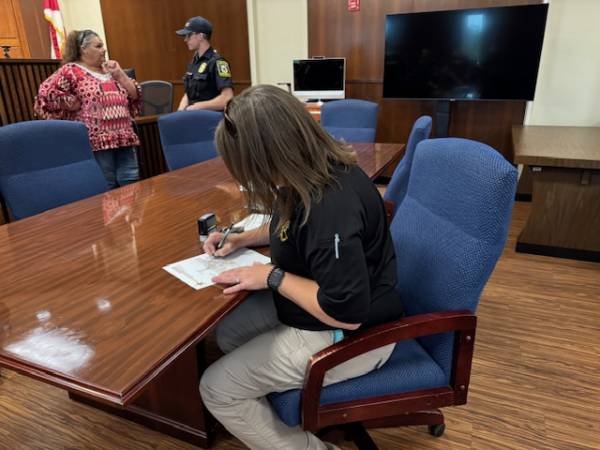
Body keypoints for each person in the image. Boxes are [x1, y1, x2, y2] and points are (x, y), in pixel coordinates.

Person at [199, 85, 404, 450]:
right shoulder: (310, 172)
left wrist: (271, 276)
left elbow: (346, 312)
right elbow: (291, 228)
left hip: (355, 333)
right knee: (229, 334)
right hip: (324, 304)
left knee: (217, 389)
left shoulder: (330, 206)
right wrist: (241, 238)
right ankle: (283, 413)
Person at [34, 29, 141, 190]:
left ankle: (134, 217)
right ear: (83, 49)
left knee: (132, 182)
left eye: (102, 46)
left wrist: (120, 74)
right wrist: (72, 104)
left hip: (124, 136)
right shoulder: (71, 70)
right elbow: (46, 92)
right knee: (107, 186)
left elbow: (134, 95)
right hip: (97, 142)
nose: (103, 49)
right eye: (98, 46)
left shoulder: (110, 70)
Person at [175, 16, 234, 111]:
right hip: (192, 117)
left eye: (188, 35)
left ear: (200, 36)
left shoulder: (219, 62)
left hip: (211, 120)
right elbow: (188, 94)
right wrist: (180, 111)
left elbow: (227, 98)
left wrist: (197, 107)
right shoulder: (194, 61)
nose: (185, 40)